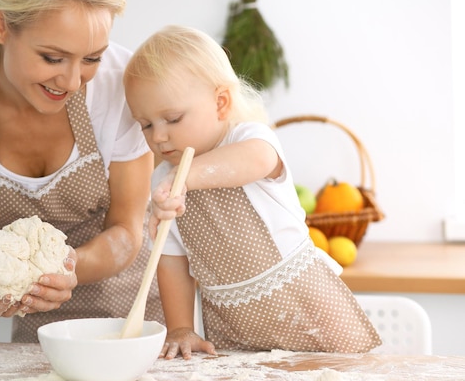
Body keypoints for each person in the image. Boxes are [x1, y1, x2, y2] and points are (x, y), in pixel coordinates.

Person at [0, 0, 165, 343]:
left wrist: (60, 270)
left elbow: (127, 230)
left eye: (91, 58)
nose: (72, 82)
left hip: (137, 313)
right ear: (1, 26)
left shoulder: (121, 82)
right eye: (53, 58)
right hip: (38, 322)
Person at [123, 25, 381, 359]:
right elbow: (171, 260)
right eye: (145, 124)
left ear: (220, 103)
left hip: (306, 308)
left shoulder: (249, 139)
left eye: (171, 118)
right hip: (234, 326)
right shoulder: (163, 178)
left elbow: (259, 159)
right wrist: (181, 328)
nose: (158, 137)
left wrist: (185, 178)